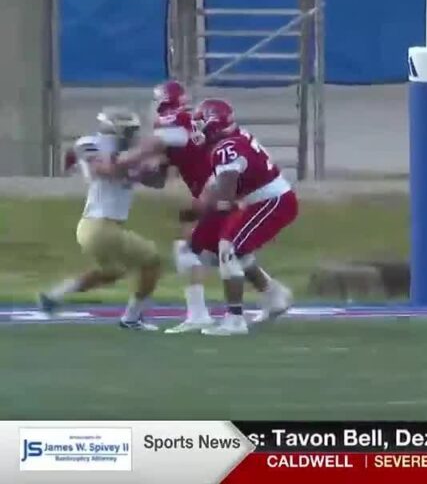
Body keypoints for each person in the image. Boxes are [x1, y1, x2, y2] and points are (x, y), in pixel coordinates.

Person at [113, 82, 292, 333]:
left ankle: (210, 315)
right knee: (225, 251)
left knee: (201, 249)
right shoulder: (192, 126)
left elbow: (149, 150)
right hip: (228, 191)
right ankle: (272, 293)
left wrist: (115, 162)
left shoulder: (173, 123)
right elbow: (160, 175)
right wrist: (134, 176)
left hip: (220, 192)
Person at [40, 108, 163, 331]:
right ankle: (132, 318)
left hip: (99, 227)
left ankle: (55, 296)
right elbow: (104, 170)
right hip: (99, 224)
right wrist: (141, 156)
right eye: (129, 131)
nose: (133, 135)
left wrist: (158, 164)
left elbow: (157, 182)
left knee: (112, 272)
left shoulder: (128, 152)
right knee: (153, 261)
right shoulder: (90, 143)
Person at [189, 98, 299, 336]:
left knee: (228, 250)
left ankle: (234, 319)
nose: (196, 130)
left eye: (199, 124)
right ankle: (275, 295)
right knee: (233, 251)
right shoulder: (233, 139)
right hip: (265, 199)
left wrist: (212, 207)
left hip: (271, 201)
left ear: (212, 124)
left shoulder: (225, 148)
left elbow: (227, 188)